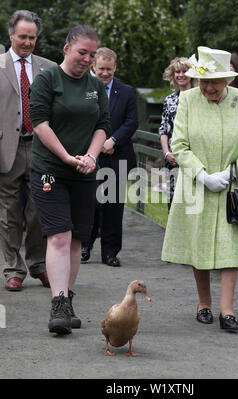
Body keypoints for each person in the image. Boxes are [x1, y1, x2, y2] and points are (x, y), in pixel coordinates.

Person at [161, 46, 238, 332]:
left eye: (214, 82)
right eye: (204, 82)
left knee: (230, 247)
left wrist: (231, 174)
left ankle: (227, 311)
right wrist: (203, 175)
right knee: (199, 244)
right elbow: (179, 144)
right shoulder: (188, 99)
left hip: (231, 188)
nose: (208, 88)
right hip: (196, 185)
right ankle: (204, 303)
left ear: (227, 80)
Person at [29, 25, 110, 335]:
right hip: (51, 167)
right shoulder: (47, 79)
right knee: (59, 236)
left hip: (84, 172)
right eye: (82, 52)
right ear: (66, 49)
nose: (87, 59)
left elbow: (102, 125)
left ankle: (69, 298)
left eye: (92, 54)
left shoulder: (95, 86)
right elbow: (39, 122)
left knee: (78, 237)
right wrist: (65, 156)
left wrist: (91, 157)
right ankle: (58, 303)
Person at [0, 10, 56, 291]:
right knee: (9, 213)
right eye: (22, 36)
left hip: (40, 147)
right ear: (11, 36)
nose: (27, 42)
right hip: (6, 147)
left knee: (39, 209)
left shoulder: (49, 68)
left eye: (32, 37)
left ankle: (38, 263)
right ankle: (13, 269)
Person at [81, 47, 139, 266]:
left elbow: (132, 122)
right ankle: (84, 246)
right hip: (90, 155)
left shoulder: (126, 92)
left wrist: (112, 141)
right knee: (90, 204)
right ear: (93, 66)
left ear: (115, 68)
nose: (105, 73)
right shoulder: (83, 88)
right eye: (101, 69)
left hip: (117, 155)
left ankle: (110, 252)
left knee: (114, 205)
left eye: (109, 69)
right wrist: (95, 145)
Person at [159, 57, 195, 212]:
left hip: (194, 158)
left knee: (193, 204)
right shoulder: (170, 100)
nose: (181, 75)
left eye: (184, 71)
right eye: (177, 72)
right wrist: (167, 153)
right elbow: (164, 129)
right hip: (173, 160)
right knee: (174, 204)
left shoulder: (200, 98)